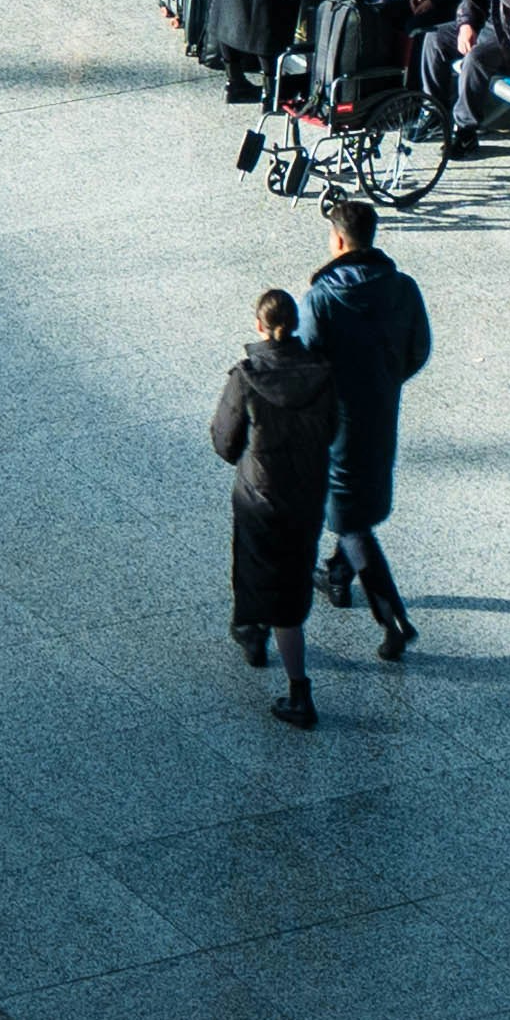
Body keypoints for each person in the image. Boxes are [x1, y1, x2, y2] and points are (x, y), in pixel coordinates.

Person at [208, 287, 337, 727]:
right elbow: (334, 429)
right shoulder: (323, 371)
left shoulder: (246, 377)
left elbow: (225, 443)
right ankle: (269, 628)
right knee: (295, 568)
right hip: (308, 491)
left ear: (259, 326)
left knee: (252, 562)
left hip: (259, 494)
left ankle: (264, 645)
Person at [305, 199, 429, 658]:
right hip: (382, 413)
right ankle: (337, 575)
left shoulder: (321, 299)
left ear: (337, 240)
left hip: (335, 423)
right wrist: (384, 383)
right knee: (356, 499)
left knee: (352, 519)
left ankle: (394, 618)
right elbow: (419, 349)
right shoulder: (403, 288)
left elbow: (308, 365)